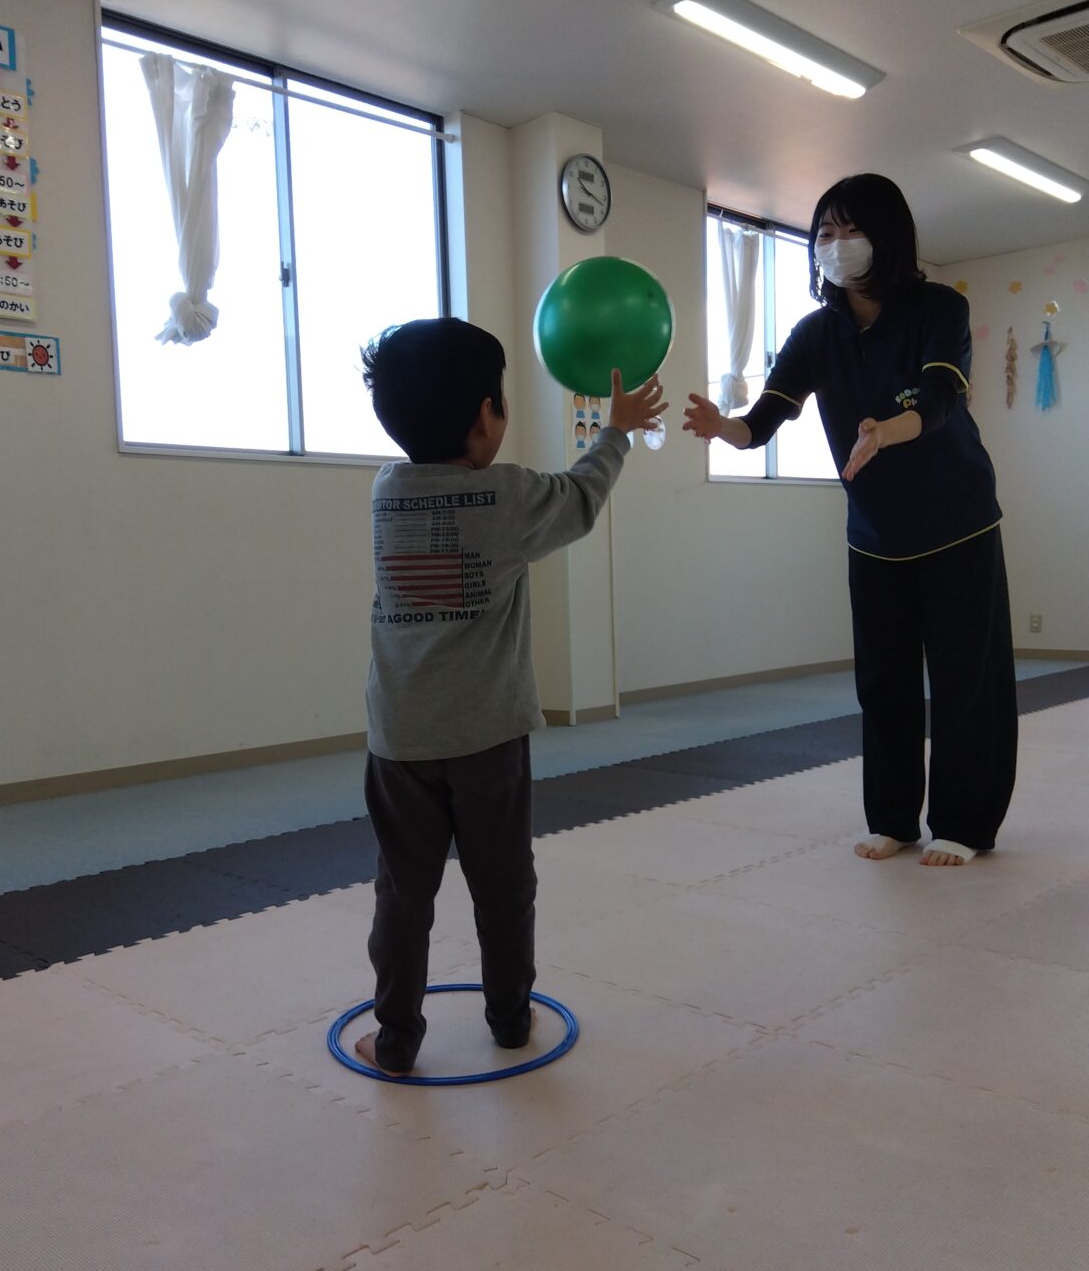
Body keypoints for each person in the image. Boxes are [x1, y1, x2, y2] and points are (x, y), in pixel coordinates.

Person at [359, 317, 666, 1074]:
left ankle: (395, 1039)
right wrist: (616, 431)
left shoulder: (386, 492)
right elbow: (582, 497)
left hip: (399, 740)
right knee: (503, 888)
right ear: (484, 417)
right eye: (500, 400)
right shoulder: (507, 495)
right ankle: (508, 1020)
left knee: (402, 894)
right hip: (488, 739)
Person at [684, 174, 1016, 868]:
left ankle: (963, 823)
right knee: (883, 682)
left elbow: (942, 396)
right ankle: (893, 819)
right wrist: (724, 428)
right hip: (875, 535)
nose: (835, 245)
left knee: (966, 679)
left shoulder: (937, 309)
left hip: (957, 523)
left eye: (851, 230)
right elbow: (763, 420)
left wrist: (887, 431)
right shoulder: (816, 333)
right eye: (824, 234)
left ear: (886, 236)